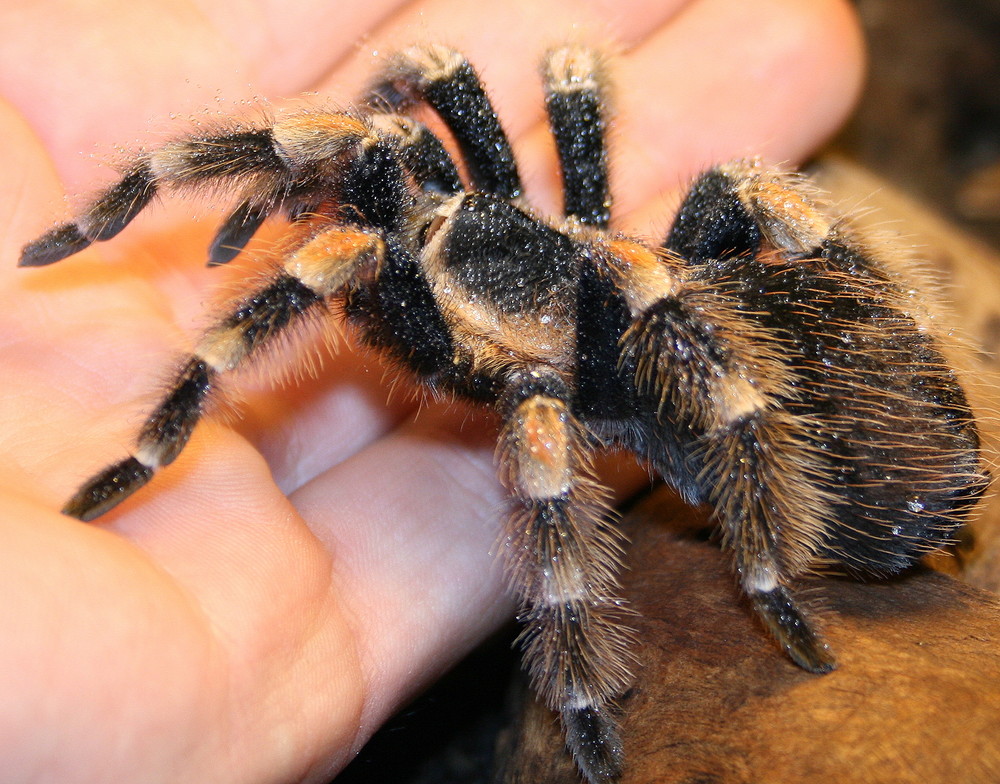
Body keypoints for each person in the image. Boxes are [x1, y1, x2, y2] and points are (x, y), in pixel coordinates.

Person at [0, 1, 863, 780]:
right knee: (457, 87)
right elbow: (450, 79)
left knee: (569, 350)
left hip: (645, 362)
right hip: (633, 306)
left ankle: (721, 603)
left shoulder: (383, 265)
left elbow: (352, 247)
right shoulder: (433, 210)